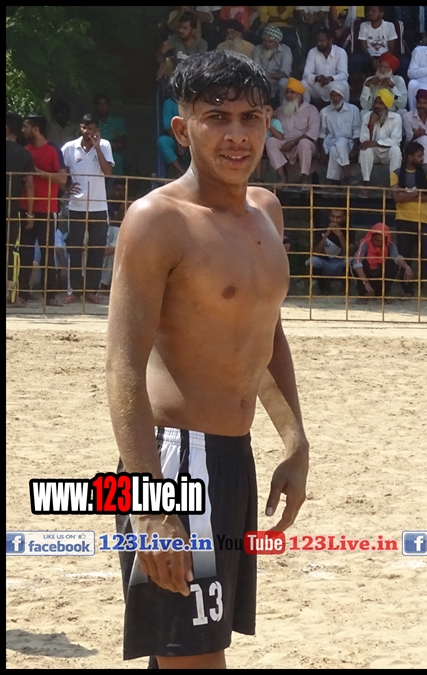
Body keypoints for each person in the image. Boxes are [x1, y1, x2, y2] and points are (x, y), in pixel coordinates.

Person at [106, 50, 309, 670]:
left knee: (183, 651)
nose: (236, 134)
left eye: (250, 117)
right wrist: (149, 506)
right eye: (216, 117)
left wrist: (295, 439)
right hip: (173, 464)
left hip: (231, 456)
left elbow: (265, 333)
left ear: (268, 123)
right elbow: (122, 367)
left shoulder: (266, 211)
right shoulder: (158, 220)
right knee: (195, 658)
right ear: (182, 127)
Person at [61, 113, 115, 305]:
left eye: (90, 128)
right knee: (74, 249)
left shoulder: (105, 145)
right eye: (84, 127)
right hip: (76, 205)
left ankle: (92, 291)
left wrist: (97, 147)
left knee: (96, 249)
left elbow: (108, 172)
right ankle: (74, 290)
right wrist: (65, 188)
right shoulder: (69, 147)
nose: (86, 131)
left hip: (99, 206)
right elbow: (60, 171)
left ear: (97, 129)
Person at [19, 114, 68, 306]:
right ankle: (23, 292)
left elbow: (62, 179)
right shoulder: (25, 150)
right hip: (26, 207)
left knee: (48, 252)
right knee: (25, 251)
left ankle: (50, 295)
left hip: (47, 208)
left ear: (35, 129)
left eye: (26, 127)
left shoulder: (53, 150)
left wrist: (39, 173)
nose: (23, 130)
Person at [390, 141, 427, 299]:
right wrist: (417, 193)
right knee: (405, 255)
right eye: (419, 156)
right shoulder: (396, 173)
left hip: (423, 219)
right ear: (410, 157)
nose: (422, 158)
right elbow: (397, 198)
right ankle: (408, 291)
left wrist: (407, 193)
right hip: (403, 219)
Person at [266, 79, 320, 184]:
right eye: (287, 92)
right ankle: (282, 178)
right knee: (270, 141)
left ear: (300, 95)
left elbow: (311, 134)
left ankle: (305, 179)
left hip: (303, 145)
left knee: (304, 143)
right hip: (284, 143)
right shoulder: (280, 110)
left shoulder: (311, 110)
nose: (288, 95)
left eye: (292, 92)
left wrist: (292, 143)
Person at [6, 112, 35, 307]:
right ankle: (12, 296)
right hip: (12, 210)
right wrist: (30, 213)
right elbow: (30, 185)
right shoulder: (24, 154)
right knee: (12, 252)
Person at [351, 222, 414, 299]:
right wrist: (366, 283)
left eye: (382, 241)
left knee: (394, 264)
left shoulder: (389, 245)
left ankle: (384, 292)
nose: (379, 243)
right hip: (367, 275)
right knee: (355, 264)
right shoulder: (365, 243)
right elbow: (357, 262)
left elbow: (397, 257)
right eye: (376, 240)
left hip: (381, 274)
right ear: (371, 237)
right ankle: (364, 292)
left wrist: (407, 267)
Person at [359, 89, 406, 183]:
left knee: (396, 150)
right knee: (365, 150)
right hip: (374, 153)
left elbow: (395, 141)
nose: (376, 106)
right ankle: (366, 182)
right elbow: (364, 141)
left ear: (387, 106)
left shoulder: (396, 118)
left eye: (381, 103)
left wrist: (375, 143)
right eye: (375, 103)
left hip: (387, 153)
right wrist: (371, 125)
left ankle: (394, 183)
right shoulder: (367, 117)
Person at [319, 81, 361, 184]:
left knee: (337, 147)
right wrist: (322, 152)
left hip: (349, 144)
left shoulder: (353, 110)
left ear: (342, 96)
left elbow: (357, 131)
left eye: (337, 95)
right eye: (332, 96)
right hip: (330, 142)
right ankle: (347, 176)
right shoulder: (324, 112)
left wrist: (355, 149)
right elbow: (322, 134)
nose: (335, 99)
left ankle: (334, 180)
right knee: (337, 145)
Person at [306, 208, 350, 291]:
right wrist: (325, 235)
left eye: (338, 217)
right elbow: (315, 253)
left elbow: (349, 253)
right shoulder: (321, 228)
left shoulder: (349, 229)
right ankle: (323, 289)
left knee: (350, 261)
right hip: (325, 263)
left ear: (344, 218)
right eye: (332, 216)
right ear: (329, 216)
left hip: (340, 263)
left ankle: (345, 289)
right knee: (312, 261)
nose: (335, 220)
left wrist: (340, 235)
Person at [303, 28, 349, 107]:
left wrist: (330, 78)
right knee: (303, 83)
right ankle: (305, 109)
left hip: (334, 84)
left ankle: (343, 110)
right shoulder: (312, 52)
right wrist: (316, 78)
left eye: (322, 41)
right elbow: (306, 74)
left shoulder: (340, 52)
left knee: (345, 84)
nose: (319, 43)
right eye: (317, 41)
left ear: (330, 41)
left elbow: (344, 74)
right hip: (318, 85)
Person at [157, 13, 210, 81]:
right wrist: (163, 66)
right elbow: (160, 53)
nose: (180, 30)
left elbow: (200, 66)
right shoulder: (175, 38)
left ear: (193, 31)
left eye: (185, 28)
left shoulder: (202, 44)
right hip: (176, 75)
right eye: (180, 27)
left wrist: (176, 73)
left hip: (193, 76)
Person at [352, 5, 399, 75]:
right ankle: (360, 81)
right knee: (355, 60)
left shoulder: (389, 26)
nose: (370, 13)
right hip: (368, 56)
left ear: (381, 14)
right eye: (369, 11)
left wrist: (382, 60)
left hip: (385, 56)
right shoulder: (364, 25)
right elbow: (363, 47)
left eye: (374, 11)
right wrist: (372, 60)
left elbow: (392, 48)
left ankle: (393, 80)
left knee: (402, 61)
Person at [253, 25, 294, 101]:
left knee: (284, 82)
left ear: (277, 42)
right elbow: (256, 68)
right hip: (262, 80)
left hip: (277, 81)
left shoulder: (286, 50)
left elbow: (285, 73)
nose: (267, 44)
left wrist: (268, 75)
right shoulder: (258, 49)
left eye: (270, 41)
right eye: (264, 40)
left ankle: (282, 105)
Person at [94, 94, 129, 176]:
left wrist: (102, 146)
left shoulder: (118, 121)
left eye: (105, 104)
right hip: (96, 162)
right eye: (100, 104)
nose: (102, 107)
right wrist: (112, 143)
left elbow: (122, 144)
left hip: (116, 163)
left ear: (109, 106)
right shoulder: (93, 123)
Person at [158, 95, 188, 177]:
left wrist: (187, 141)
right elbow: (168, 126)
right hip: (176, 139)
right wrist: (180, 141)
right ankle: (182, 171)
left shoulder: (192, 101)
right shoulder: (169, 103)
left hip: (192, 139)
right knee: (162, 141)